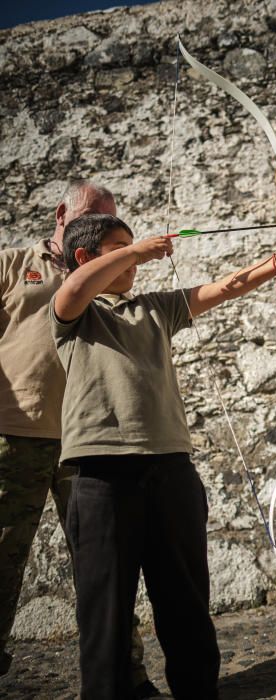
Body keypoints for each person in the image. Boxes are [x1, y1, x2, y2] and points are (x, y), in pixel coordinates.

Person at [49, 212, 276, 700]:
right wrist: (138, 250)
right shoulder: (74, 314)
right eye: (118, 247)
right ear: (85, 257)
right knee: (105, 612)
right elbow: (71, 290)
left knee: (185, 601)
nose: (133, 257)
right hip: (102, 477)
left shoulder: (154, 308)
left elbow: (225, 288)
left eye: (132, 247)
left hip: (171, 469)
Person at [0, 181, 158, 699]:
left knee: (106, 566)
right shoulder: (14, 262)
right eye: (92, 215)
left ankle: (127, 676)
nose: (98, 224)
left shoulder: (106, 273)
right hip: (13, 437)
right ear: (61, 213)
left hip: (86, 440)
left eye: (109, 218)